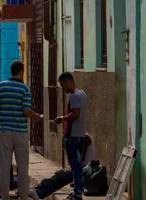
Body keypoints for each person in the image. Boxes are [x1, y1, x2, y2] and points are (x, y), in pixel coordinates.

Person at [0, 61, 42, 200]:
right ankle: (23, 195)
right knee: (22, 167)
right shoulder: (24, 89)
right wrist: (36, 116)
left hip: (5, 131)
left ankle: (5, 196)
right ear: (20, 72)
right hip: (20, 131)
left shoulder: (1, 86)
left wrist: (5, 108)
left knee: (5, 166)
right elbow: (26, 110)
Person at [28, 134, 96, 200]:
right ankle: (38, 190)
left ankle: (38, 192)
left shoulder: (84, 137)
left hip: (87, 172)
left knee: (62, 175)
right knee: (61, 174)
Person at [54, 72, 88, 200]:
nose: (63, 89)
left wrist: (61, 119)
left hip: (73, 136)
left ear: (68, 81)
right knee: (77, 166)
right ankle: (77, 192)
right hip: (80, 135)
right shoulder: (82, 93)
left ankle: (77, 194)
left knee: (75, 167)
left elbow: (75, 115)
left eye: (63, 86)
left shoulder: (74, 96)